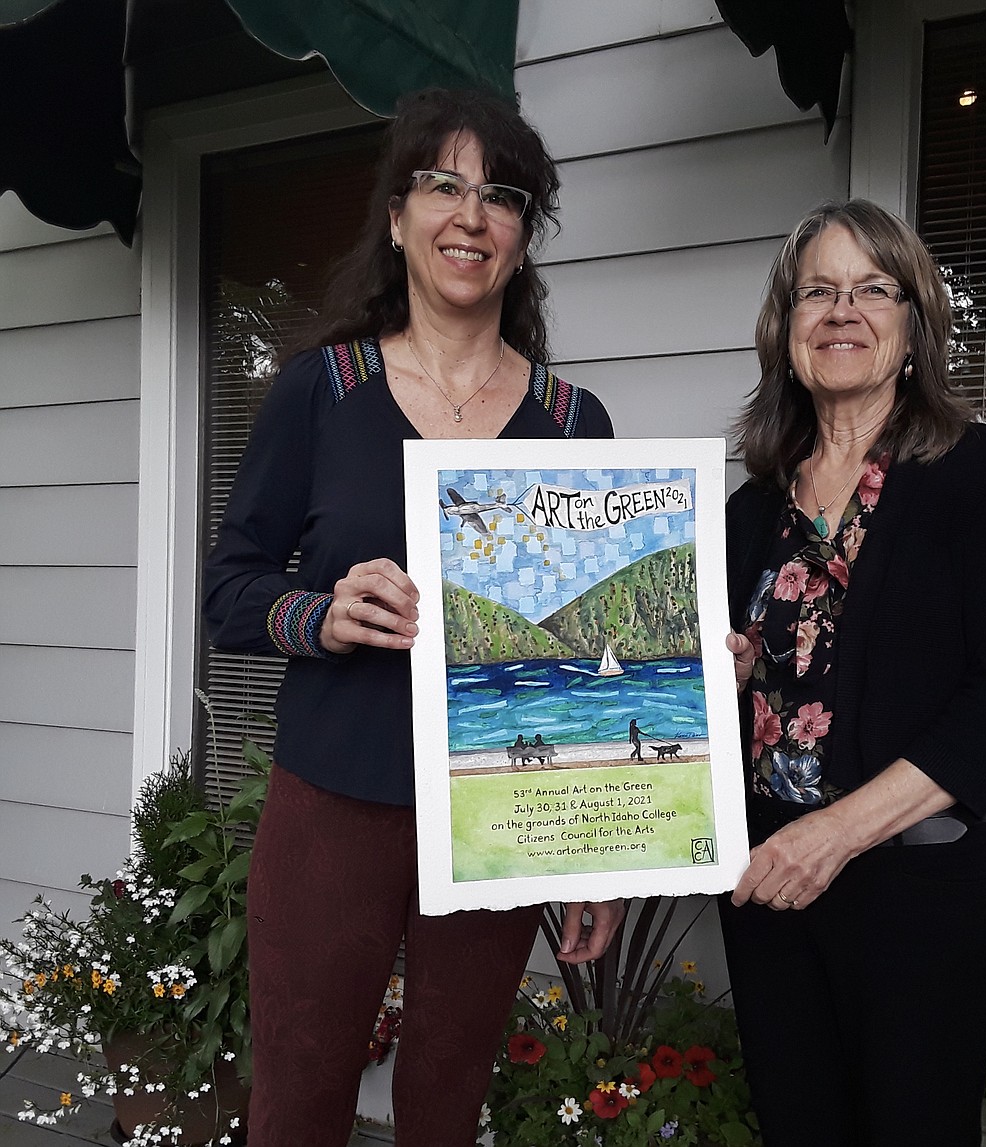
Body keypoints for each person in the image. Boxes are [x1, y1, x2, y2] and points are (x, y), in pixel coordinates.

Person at [203, 87, 624, 1147]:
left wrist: (592, 856)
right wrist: (321, 611)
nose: (469, 215)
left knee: (448, 1101)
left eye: (501, 196)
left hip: (499, 815)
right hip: (332, 797)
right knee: (297, 1097)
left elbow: (593, 660)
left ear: (523, 238)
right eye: (442, 185)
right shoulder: (322, 391)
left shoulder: (576, 428)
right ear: (397, 218)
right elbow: (231, 587)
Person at [721, 199, 986, 1147]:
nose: (842, 311)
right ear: (787, 330)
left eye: (872, 289)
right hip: (769, 889)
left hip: (915, 895)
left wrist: (834, 834)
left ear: (913, 325)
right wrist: (729, 675)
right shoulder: (746, 513)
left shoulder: (978, 474)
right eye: (817, 291)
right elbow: (719, 693)